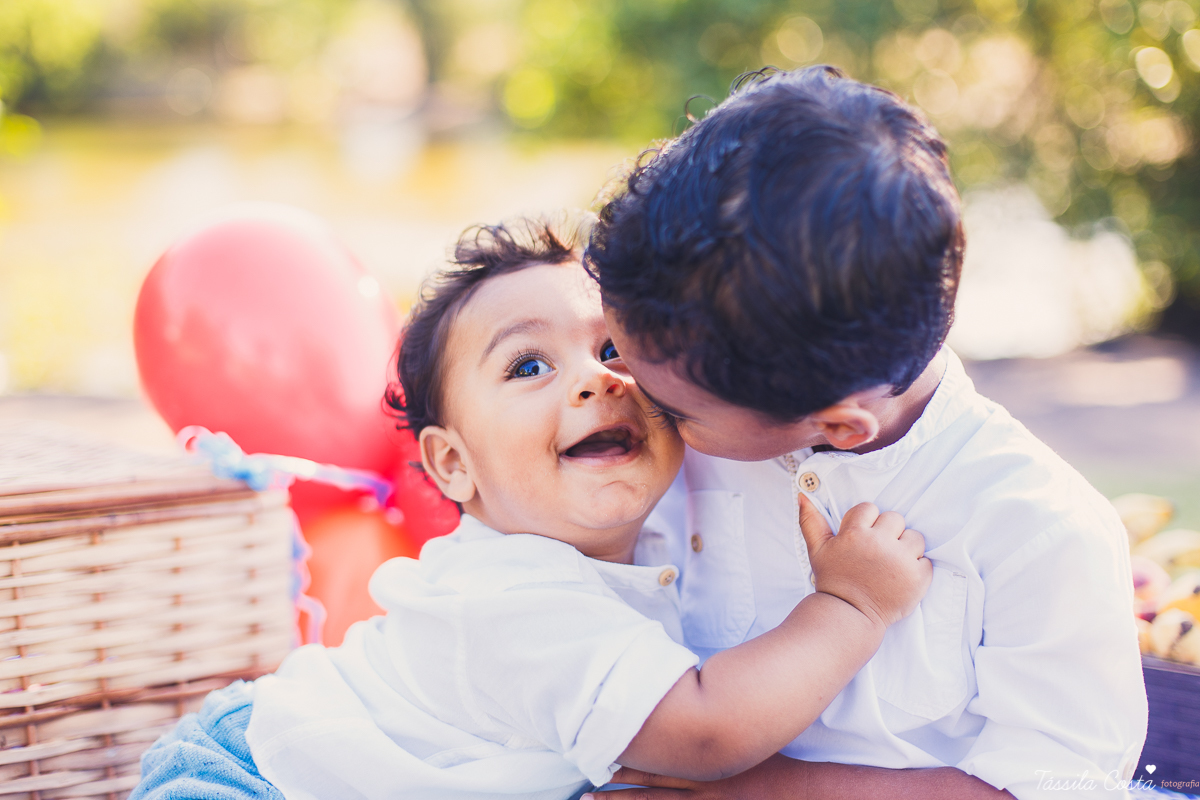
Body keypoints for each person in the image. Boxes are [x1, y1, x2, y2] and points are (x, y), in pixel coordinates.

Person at [132, 216, 932, 800]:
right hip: (256, 779)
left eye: (613, 348)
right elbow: (704, 732)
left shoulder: (635, 529)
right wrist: (851, 606)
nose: (596, 379)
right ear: (452, 463)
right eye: (528, 365)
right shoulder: (512, 597)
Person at [585, 66, 1147, 800]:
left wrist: (753, 788)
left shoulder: (1039, 531)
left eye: (677, 407)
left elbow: (1057, 787)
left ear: (840, 429)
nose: (627, 395)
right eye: (609, 352)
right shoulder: (694, 430)